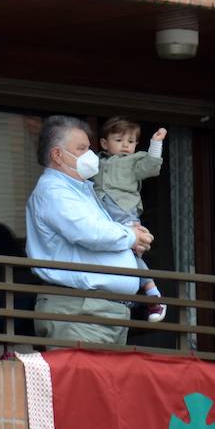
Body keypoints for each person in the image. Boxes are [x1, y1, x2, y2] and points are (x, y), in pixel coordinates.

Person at [25, 115, 153, 346]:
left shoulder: (81, 189)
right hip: (80, 312)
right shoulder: (54, 190)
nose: (90, 156)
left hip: (100, 311)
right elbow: (90, 232)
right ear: (57, 154)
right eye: (82, 149)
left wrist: (129, 231)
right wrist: (131, 236)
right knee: (83, 382)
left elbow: (100, 229)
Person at [93, 116, 168, 321]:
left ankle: (153, 293)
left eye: (131, 141)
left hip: (125, 214)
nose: (126, 145)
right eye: (119, 140)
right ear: (104, 143)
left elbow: (152, 166)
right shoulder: (95, 161)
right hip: (102, 217)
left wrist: (156, 143)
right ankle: (122, 297)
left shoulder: (135, 161)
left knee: (131, 257)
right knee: (111, 257)